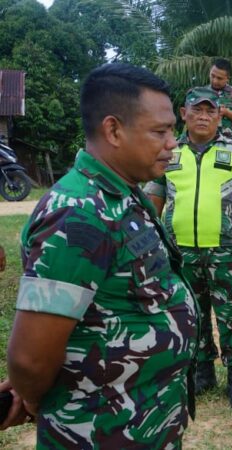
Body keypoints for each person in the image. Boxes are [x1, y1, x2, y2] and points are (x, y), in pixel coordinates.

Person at [1, 63, 197, 446]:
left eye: (172, 129)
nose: (173, 142)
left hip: (144, 421)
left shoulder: (123, 194)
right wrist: (41, 398)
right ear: (113, 130)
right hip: (99, 432)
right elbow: (29, 359)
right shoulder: (78, 215)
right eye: (160, 131)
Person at [145, 87, 232, 410]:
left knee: (231, 317)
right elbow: (153, 200)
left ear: (218, 116)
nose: (203, 116)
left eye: (210, 111)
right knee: (193, 313)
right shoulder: (168, 153)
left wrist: (231, 223)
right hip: (181, 252)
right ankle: (203, 372)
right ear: (183, 115)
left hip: (225, 253)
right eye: (196, 110)